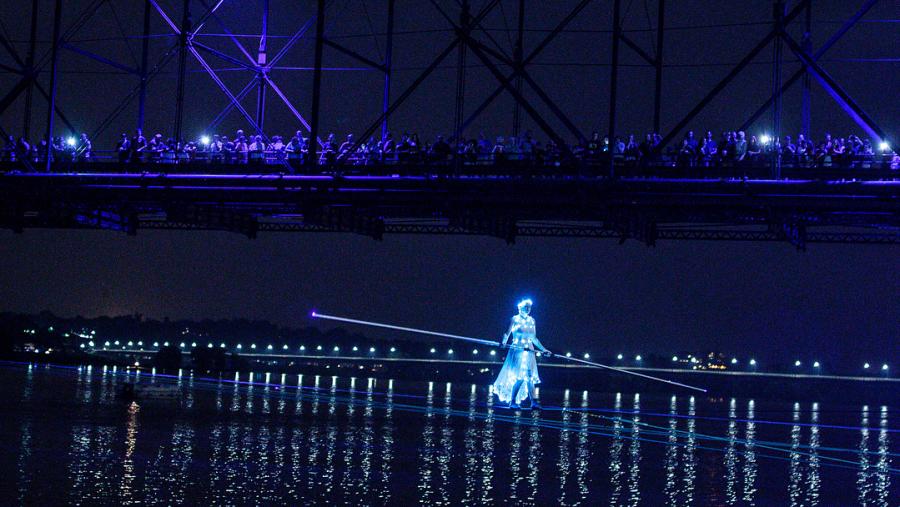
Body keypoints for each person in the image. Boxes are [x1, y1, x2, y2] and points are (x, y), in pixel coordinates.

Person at [492, 299, 551, 409]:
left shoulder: (532, 320)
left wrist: (544, 349)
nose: (528, 309)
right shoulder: (514, 319)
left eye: (529, 307)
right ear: (519, 308)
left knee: (529, 376)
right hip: (517, 350)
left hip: (529, 350)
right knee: (520, 376)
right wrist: (503, 343)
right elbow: (507, 333)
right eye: (526, 307)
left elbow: (534, 338)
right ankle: (513, 402)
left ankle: (533, 402)